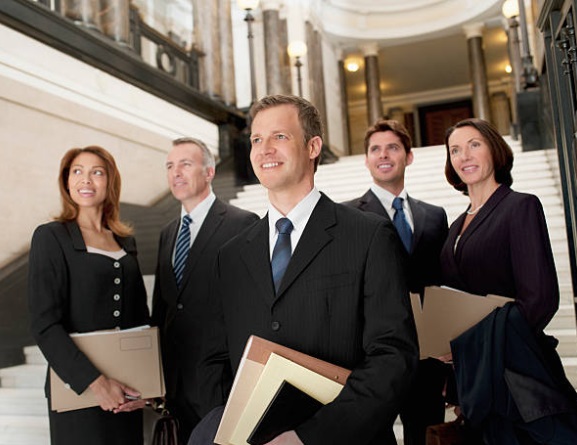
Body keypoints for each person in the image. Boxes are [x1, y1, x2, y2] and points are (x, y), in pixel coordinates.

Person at [195, 94, 419, 445]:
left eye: (279, 137)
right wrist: (233, 432)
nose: (264, 148)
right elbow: (214, 360)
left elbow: (392, 356)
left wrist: (307, 437)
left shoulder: (368, 235)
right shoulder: (232, 255)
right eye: (256, 139)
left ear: (313, 146)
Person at [441, 118, 577, 443]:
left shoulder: (520, 206)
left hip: (516, 373)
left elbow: (540, 299)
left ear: (494, 149)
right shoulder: (455, 225)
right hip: (473, 380)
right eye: (455, 150)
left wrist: (474, 345)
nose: (464, 156)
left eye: (474, 144)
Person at [28, 146, 151, 445]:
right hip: (78, 390)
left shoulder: (126, 242)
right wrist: (96, 383)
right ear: (67, 182)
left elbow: (140, 321)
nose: (86, 180)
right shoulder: (51, 237)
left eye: (97, 172)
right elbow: (45, 324)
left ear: (110, 182)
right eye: (77, 172)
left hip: (127, 392)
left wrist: (146, 387)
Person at [344, 119, 449, 445]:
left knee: (426, 435)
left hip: (428, 359)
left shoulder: (435, 215)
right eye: (375, 149)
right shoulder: (347, 217)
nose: (383, 154)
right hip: (373, 357)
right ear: (366, 160)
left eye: (392, 147)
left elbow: (440, 287)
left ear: (409, 156)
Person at [151, 137, 259, 444]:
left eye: (185, 164)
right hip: (175, 384)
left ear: (209, 172)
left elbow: (251, 308)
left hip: (221, 383)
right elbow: (162, 308)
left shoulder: (242, 223)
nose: (176, 173)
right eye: (170, 166)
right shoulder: (168, 233)